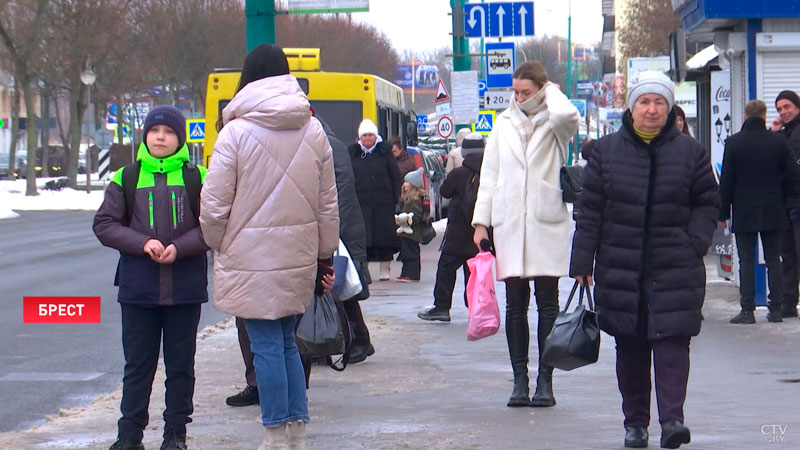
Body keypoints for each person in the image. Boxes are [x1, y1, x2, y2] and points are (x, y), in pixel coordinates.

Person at [570, 71, 719, 449]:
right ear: (631, 107)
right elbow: (591, 211)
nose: (652, 110)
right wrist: (582, 263)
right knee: (631, 349)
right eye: (644, 102)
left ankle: (672, 422)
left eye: (659, 102)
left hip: (676, 264)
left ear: (669, 108)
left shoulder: (691, 152)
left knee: (672, 346)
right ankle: (635, 425)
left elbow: (708, 202)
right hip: (622, 266)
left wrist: (695, 242)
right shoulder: (605, 152)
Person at [200, 44, 339, 450]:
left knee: (264, 345)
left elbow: (213, 206)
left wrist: (218, 242)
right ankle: (297, 430)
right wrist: (323, 256)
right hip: (298, 256)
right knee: (286, 343)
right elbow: (327, 203)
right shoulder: (313, 130)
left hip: (249, 257)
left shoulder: (235, 133)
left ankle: (275, 433)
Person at [94, 105, 209, 450]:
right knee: (138, 366)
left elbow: (214, 227)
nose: (161, 137)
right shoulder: (125, 177)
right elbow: (105, 224)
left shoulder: (197, 177)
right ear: (145, 135)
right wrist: (143, 243)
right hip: (138, 289)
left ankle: (175, 433)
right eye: (155, 130)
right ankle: (129, 434)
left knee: (180, 366)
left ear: (180, 139)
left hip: (184, 288)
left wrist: (180, 247)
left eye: (169, 132)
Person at [471, 61, 580, 408]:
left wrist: (552, 92)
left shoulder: (555, 119)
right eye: (515, 92)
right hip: (509, 223)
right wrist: (480, 223)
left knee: (548, 304)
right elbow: (489, 176)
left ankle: (545, 382)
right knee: (515, 305)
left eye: (526, 92)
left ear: (542, 89)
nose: (518, 98)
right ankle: (520, 380)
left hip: (545, 220)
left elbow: (568, 118)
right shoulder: (502, 124)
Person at [721, 99, 799, 324]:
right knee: (774, 259)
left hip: (744, 208)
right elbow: (793, 175)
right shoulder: (778, 142)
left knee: (746, 260)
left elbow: (726, 180)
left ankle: (747, 310)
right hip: (774, 207)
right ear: (765, 116)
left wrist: (723, 212)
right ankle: (775, 309)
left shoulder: (734, 143)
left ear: (745, 117)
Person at [419, 132, 485, 322]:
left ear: (464, 152)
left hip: (457, 233)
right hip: (479, 233)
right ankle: (475, 308)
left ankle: (441, 307)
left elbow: (444, 191)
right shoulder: (490, 173)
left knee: (446, 269)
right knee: (474, 273)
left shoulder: (458, 173)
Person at [349, 119, 402, 281]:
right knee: (363, 239)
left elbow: (395, 176)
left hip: (383, 203)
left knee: (384, 237)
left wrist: (396, 198)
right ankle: (364, 270)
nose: (368, 139)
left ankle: (385, 269)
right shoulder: (354, 154)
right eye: (364, 136)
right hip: (361, 203)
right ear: (360, 137)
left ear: (375, 136)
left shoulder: (384, 152)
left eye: (370, 135)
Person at [770, 90, 800, 319]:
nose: (783, 112)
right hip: (785, 202)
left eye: (787, 107)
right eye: (780, 108)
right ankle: (789, 303)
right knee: (787, 254)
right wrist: (774, 133)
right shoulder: (783, 133)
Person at [395, 167, 427, 281]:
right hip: (405, 231)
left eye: (407, 182)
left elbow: (417, 214)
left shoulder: (415, 199)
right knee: (405, 253)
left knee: (412, 253)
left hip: (413, 232)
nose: (404, 184)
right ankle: (405, 272)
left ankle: (412, 274)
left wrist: (409, 219)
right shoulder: (406, 198)